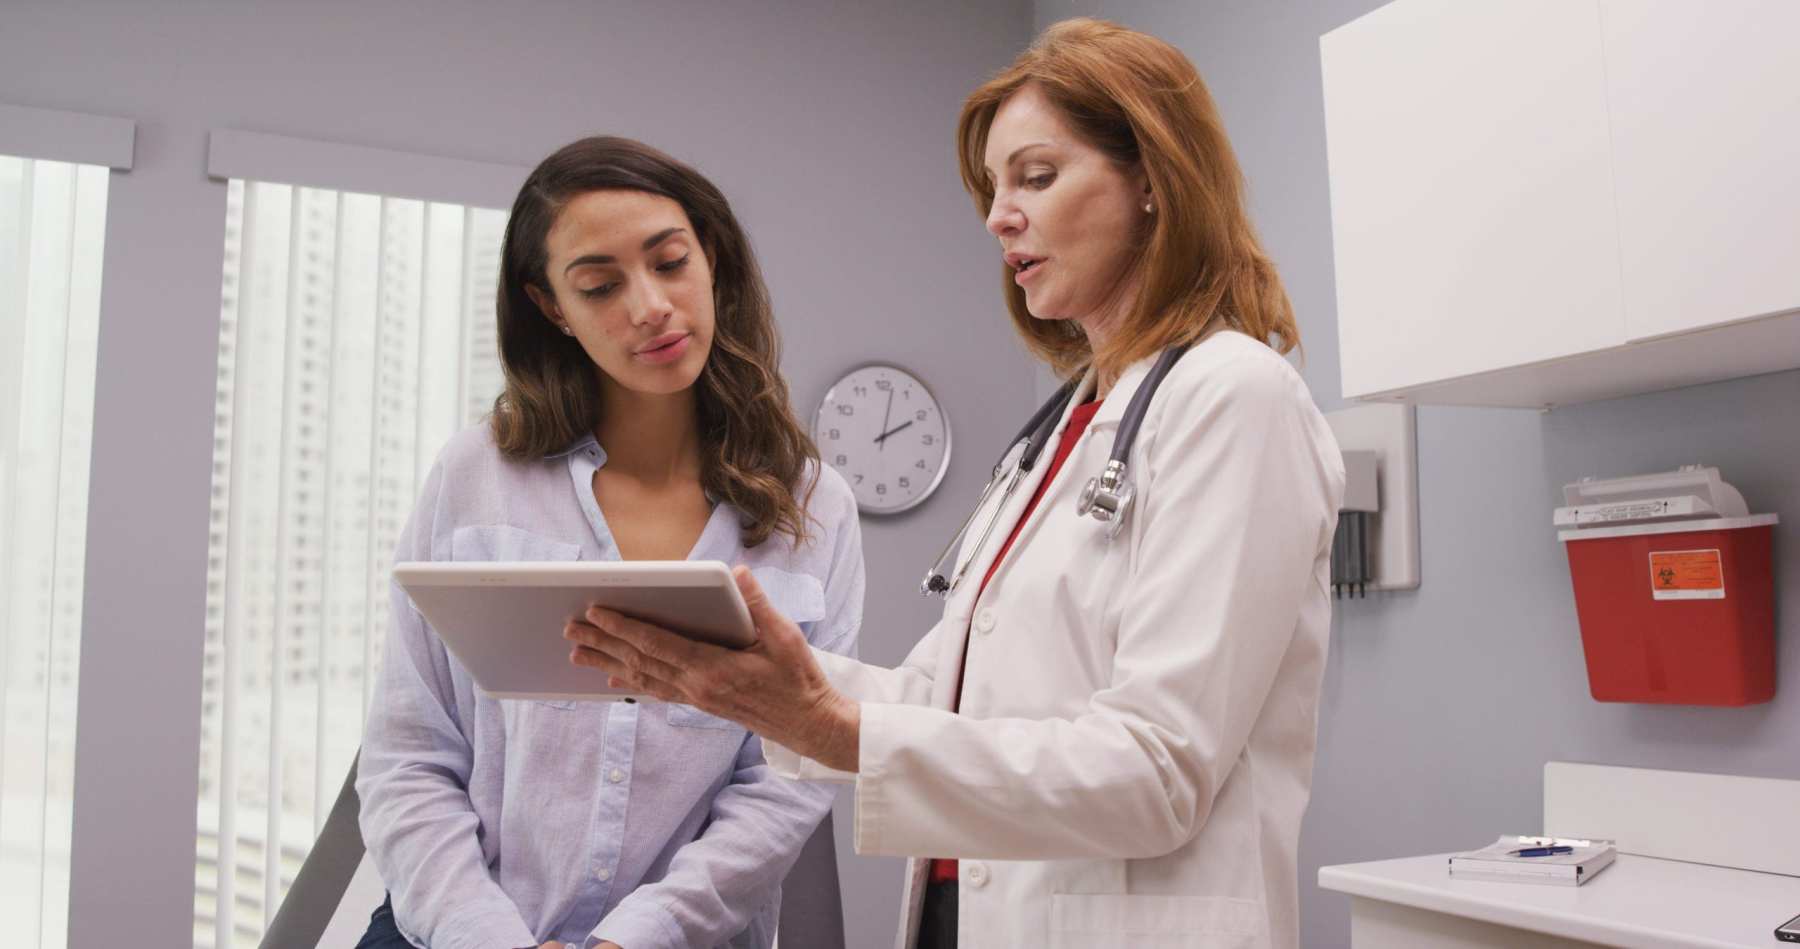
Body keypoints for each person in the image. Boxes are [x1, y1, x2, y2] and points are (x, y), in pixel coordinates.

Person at [564, 18, 1345, 949]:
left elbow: (1159, 768)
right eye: (993, 187)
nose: (997, 216)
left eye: (1036, 177)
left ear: (1151, 180)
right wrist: (738, 680)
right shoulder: (1064, 429)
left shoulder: (1236, 398)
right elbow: (944, 698)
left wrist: (831, 725)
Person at [355, 136, 864, 949]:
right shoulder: (475, 476)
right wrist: (486, 936)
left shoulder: (816, 508)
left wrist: (633, 938)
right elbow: (410, 754)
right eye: (600, 285)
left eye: (670, 262)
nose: (651, 306)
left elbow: (785, 781)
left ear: (713, 262)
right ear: (552, 306)